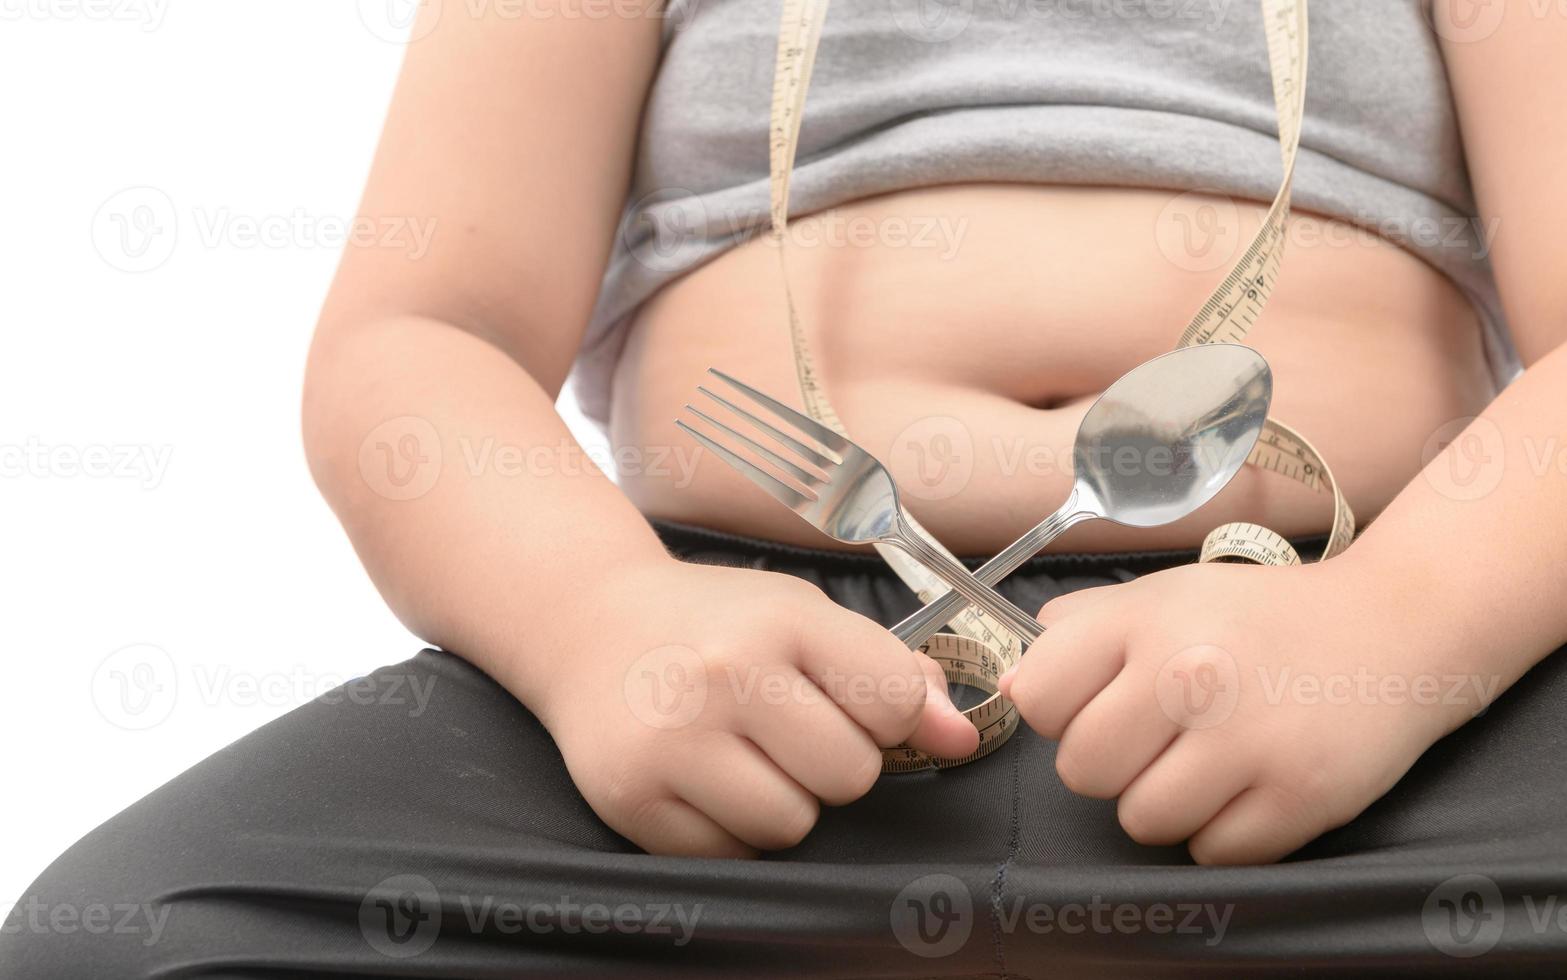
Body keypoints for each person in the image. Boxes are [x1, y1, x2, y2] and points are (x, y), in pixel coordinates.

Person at [6, 0, 1567, 975]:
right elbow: (418, 337)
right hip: (728, 672)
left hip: (1355, 665)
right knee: (137, 940)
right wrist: (596, 622)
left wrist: (1402, 631)